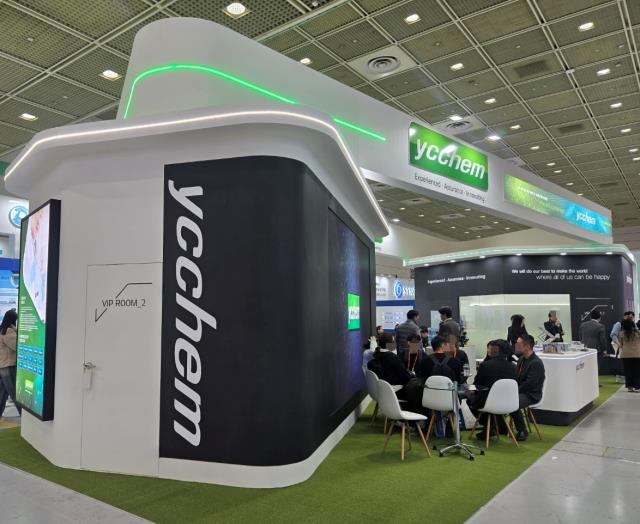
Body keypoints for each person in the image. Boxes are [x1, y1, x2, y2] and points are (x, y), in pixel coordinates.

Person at [469, 340, 517, 437]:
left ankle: (490, 426)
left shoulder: (486, 365)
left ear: (495, 350)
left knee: (470, 398)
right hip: (509, 402)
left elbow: (477, 384)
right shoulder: (514, 367)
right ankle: (496, 426)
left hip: (487, 402)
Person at [511, 335, 545, 441]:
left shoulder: (536, 363)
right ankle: (500, 427)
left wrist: (514, 391)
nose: (516, 345)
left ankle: (522, 430)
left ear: (528, 346)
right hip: (521, 391)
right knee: (504, 399)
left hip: (531, 394)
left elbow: (529, 384)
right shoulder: (521, 359)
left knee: (512, 403)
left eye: (519, 344)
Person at [0, 310, 21, 418]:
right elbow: (16, 346)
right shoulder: (8, 331)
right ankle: (24, 416)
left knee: (2, 394)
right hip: (8, 366)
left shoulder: (2, 329)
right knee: (14, 393)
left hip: (3, 366)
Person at [618, 319, 640, 392]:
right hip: (637, 354)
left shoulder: (621, 333)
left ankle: (630, 387)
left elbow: (621, 345)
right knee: (637, 371)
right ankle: (637, 387)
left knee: (628, 372)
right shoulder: (638, 333)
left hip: (626, 355)